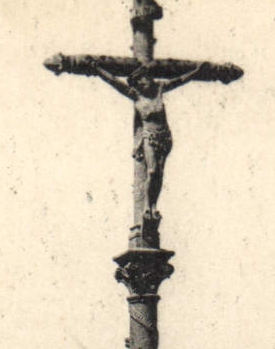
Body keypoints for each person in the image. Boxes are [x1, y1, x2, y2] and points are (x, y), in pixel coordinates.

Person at [88, 60, 205, 227]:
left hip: (164, 137)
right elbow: (113, 81)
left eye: (145, 79)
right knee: (152, 171)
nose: (144, 83)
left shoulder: (159, 90)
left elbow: (180, 80)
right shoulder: (135, 95)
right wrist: (98, 69)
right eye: (140, 81)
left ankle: (153, 206)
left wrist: (196, 71)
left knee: (160, 174)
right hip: (149, 136)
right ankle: (147, 207)